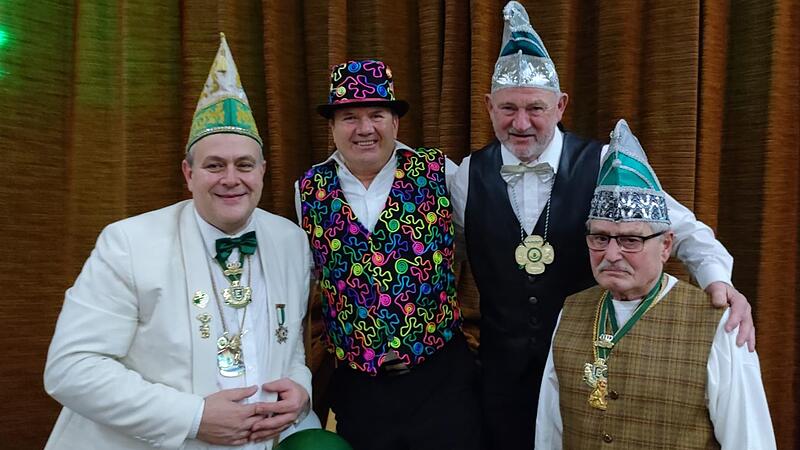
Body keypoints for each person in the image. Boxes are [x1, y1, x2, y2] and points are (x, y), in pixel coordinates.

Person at [448, 2, 756, 449]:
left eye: (535, 108)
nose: (520, 123)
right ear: (489, 107)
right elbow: (443, 256)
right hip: (501, 377)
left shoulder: (602, 163)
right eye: (507, 108)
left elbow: (683, 229)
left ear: (560, 105)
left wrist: (719, 283)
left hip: (590, 366)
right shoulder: (465, 177)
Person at [44, 33, 317, 450]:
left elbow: (289, 344)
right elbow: (71, 369)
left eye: (244, 164)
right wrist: (194, 418)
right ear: (188, 174)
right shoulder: (128, 243)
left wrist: (299, 387)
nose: (231, 179)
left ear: (262, 170)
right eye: (214, 165)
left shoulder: (291, 241)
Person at [534, 119, 775, 449]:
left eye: (631, 240)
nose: (613, 254)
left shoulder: (719, 323)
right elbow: (550, 433)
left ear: (665, 246)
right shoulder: (570, 312)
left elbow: (749, 441)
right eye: (600, 237)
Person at [295, 59, 480, 450]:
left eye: (376, 114)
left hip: (440, 378)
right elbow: (313, 272)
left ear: (395, 122)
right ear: (332, 127)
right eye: (349, 117)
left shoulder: (439, 172)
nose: (364, 128)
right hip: (360, 386)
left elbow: (469, 243)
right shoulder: (308, 188)